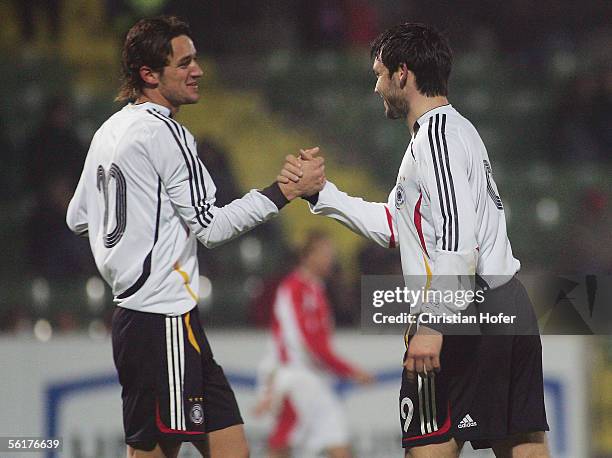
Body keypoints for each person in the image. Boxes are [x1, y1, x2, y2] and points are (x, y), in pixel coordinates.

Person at [280, 23, 550, 458]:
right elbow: (398, 227)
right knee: (523, 447)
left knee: (428, 449)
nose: (376, 87)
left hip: (462, 312)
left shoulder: (436, 139)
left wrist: (432, 324)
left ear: (402, 74)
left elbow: (459, 240)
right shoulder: (455, 132)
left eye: (380, 73)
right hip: (505, 303)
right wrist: (322, 196)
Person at [66, 16, 324, 458]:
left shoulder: (109, 130)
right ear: (149, 74)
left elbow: (78, 217)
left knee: (231, 447)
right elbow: (213, 228)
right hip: (160, 317)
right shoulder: (168, 133)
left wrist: (139, 233)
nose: (198, 70)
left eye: (196, 60)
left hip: (162, 318)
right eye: (184, 63)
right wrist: (286, 191)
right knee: (153, 451)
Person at [255, 231, 373, 458]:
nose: (330, 259)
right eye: (325, 253)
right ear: (307, 256)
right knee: (287, 444)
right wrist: (349, 370)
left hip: (311, 378)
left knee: (285, 443)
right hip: (300, 379)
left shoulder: (314, 288)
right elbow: (307, 342)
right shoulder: (295, 289)